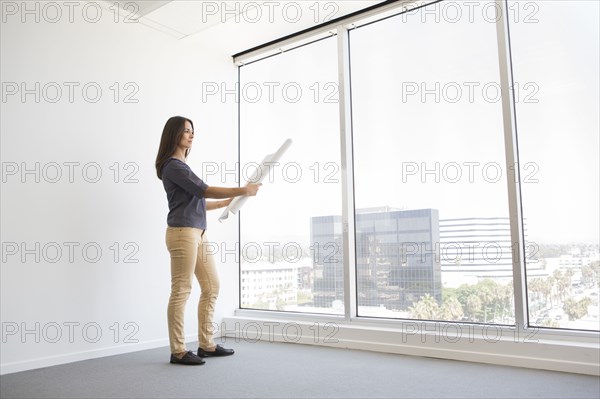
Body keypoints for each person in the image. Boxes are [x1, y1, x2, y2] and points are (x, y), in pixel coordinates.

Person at [155, 116, 261, 365]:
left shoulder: (182, 165)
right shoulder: (173, 166)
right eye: (186, 131)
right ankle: (178, 350)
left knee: (211, 286)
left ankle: (206, 345)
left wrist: (228, 202)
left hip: (197, 232)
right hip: (182, 233)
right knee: (181, 290)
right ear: (174, 135)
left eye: (192, 131)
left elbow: (198, 201)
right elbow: (204, 190)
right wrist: (242, 190)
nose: (191, 135)